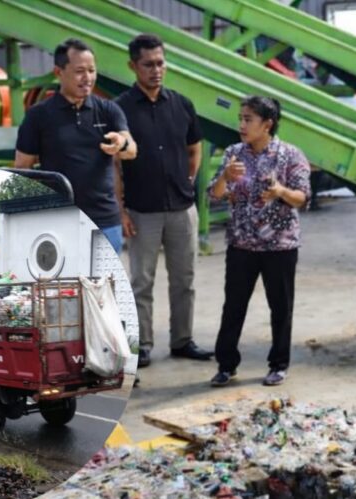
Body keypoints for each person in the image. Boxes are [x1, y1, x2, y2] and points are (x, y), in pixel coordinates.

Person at [114, 34, 211, 369]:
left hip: (182, 210)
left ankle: (182, 340)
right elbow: (114, 163)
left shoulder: (181, 104)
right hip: (143, 212)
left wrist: (188, 179)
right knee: (141, 282)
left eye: (160, 62)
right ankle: (142, 346)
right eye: (148, 64)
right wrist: (121, 209)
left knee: (185, 279)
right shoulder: (120, 109)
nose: (156, 70)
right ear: (133, 66)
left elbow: (194, 146)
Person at [207, 96, 311, 387]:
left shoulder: (290, 155)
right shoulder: (233, 154)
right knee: (234, 306)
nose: (241, 124)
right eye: (240, 118)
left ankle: (278, 364)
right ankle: (226, 365)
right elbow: (213, 195)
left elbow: (302, 197)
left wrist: (280, 191)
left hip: (280, 247)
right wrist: (225, 177)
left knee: (280, 306)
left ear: (267, 124)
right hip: (241, 245)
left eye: (248, 119)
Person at [15, 38, 137, 254]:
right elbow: (22, 169)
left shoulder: (109, 110)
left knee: (105, 286)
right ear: (58, 72)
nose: (87, 78)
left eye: (92, 70)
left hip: (105, 222)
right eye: (80, 71)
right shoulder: (39, 116)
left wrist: (121, 142)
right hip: (59, 222)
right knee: (64, 287)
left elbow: (131, 149)